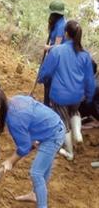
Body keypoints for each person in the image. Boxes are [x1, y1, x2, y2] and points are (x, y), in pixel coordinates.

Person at [0, 87, 65, 208]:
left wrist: (10, 161)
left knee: (36, 173)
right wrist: (33, 139)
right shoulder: (14, 100)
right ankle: (34, 194)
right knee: (44, 168)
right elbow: (30, 118)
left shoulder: (14, 118)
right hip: (50, 126)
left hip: (53, 134)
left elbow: (24, 147)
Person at [38, 20, 95, 161]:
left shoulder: (57, 50)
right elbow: (90, 79)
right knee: (75, 112)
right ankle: (78, 135)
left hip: (60, 96)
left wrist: (42, 79)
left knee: (63, 121)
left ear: (66, 34)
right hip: (77, 96)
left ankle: (69, 152)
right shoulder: (85, 55)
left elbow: (47, 72)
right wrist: (89, 95)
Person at [42, 0, 67, 107]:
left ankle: (48, 105)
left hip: (58, 59)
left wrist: (47, 48)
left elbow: (57, 47)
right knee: (47, 81)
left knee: (49, 81)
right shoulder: (57, 23)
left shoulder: (61, 26)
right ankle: (47, 104)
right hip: (53, 57)